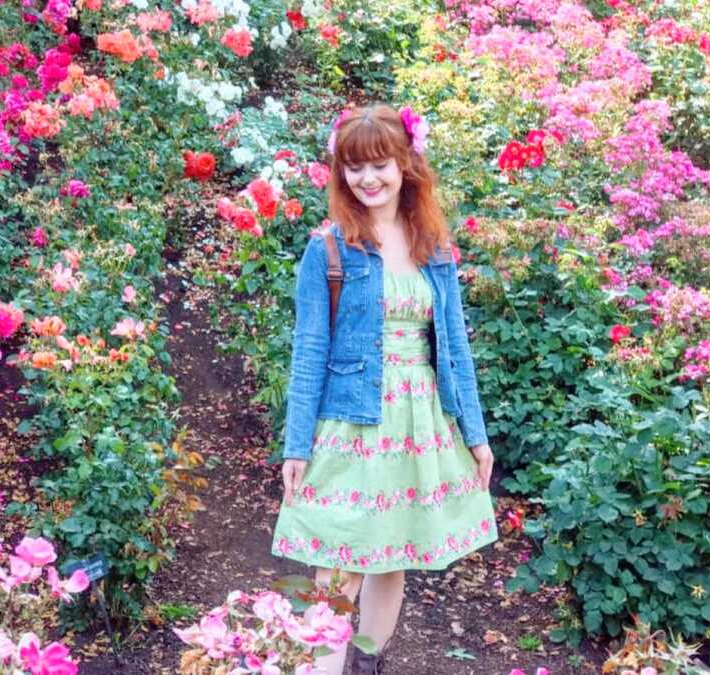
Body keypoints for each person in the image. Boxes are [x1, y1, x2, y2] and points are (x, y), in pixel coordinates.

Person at [270, 103, 498, 675]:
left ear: (405, 164)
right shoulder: (327, 248)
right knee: (334, 558)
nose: (367, 178)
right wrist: (297, 445)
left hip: (419, 420)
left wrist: (475, 434)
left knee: (390, 557)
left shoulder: (433, 248)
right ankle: (319, 667)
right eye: (353, 167)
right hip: (352, 418)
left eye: (379, 164)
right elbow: (309, 353)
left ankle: (366, 664)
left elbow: (454, 348)